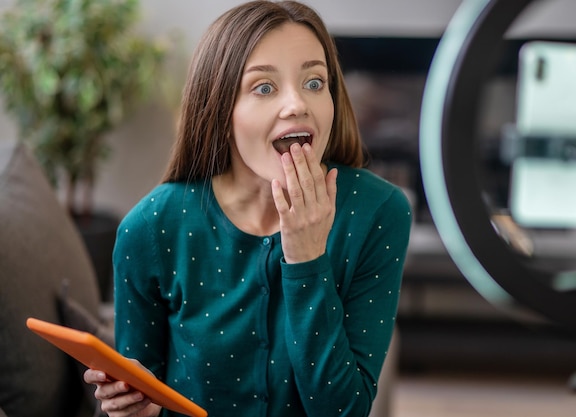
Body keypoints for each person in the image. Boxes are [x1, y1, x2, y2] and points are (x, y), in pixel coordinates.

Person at [84, 1, 412, 416]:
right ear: (221, 110)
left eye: (315, 82)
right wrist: (136, 408)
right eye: (264, 88)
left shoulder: (378, 212)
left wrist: (307, 257)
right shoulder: (150, 228)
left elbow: (343, 411)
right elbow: (141, 391)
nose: (297, 104)